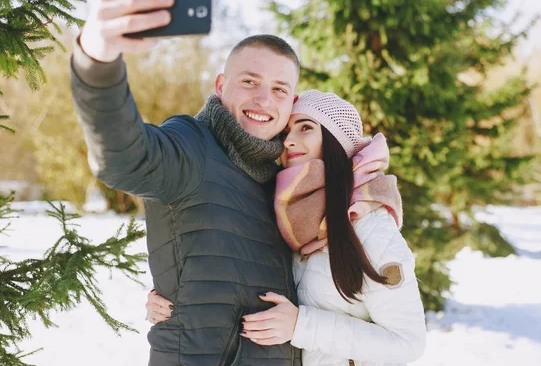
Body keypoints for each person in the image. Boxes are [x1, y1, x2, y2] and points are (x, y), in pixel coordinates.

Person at [70, 0, 302, 365]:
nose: (264, 99)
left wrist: (303, 323)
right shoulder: (191, 146)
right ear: (220, 85)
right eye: (249, 82)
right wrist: (96, 60)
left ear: (292, 101)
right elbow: (125, 155)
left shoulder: (285, 179)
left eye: (279, 89)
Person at [148, 90, 427, 365]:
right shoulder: (283, 216)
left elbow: (407, 343)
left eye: (306, 128)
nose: (290, 141)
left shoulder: (369, 225)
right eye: (285, 134)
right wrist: (174, 297)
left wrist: (301, 325)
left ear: (336, 143)